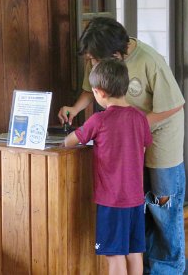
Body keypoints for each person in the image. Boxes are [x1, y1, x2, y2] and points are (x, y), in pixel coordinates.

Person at [58, 17, 186, 275]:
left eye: (94, 60)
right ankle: (148, 266)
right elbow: (90, 88)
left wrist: (128, 129)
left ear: (116, 54)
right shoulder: (100, 60)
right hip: (130, 132)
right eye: (90, 61)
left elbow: (173, 104)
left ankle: (168, 269)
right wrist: (75, 108)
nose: (92, 63)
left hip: (160, 131)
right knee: (140, 205)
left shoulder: (150, 61)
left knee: (163, 205)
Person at [64, 58, 152, 275]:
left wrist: (70, 133)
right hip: (135, 198)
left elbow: (70, 141)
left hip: (112, 200)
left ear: (100, 92)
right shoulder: (140, 118)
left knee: (114, 255)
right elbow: (142, 149)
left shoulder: (98, 120)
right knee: (134, 252)